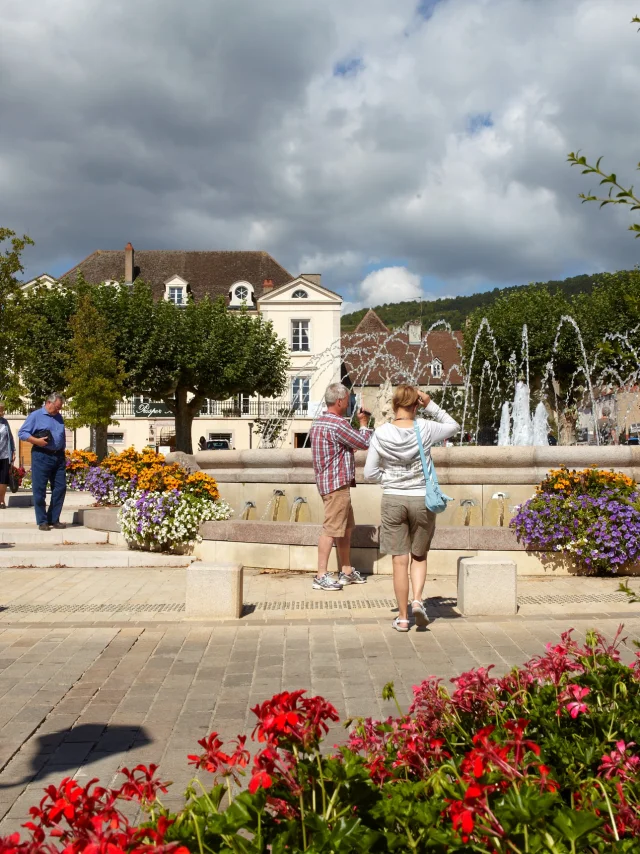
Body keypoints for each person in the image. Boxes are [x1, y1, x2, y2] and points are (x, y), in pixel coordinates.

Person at [364, 385, 459, 632]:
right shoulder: (425, 427)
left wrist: (390, 479)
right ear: (415, 405)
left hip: (393, 499)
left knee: (399, 560)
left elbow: (370, 472)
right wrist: (431, 404)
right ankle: (418, 600)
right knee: (419, 556)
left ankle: (404, 618)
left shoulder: (381, 433)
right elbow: (453, 426)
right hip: (421, 499)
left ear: (394, 405)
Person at [310, 382, 372, 591]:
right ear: (339, 401)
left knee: (346, 529)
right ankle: (321, 575)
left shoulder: (318, 423)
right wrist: (363, 423)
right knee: (331, 529)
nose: (349, 403)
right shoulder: (338, 424)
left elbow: (334, 450)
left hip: (329, 483)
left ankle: (346, 571)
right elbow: (363, 442)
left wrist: (346, 452)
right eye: (347, 399)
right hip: (337, 485)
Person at [18, 393, 67, 531]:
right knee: (39, 489)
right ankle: (42, 520)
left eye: (60, 408)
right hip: (42, 456)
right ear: (48, 403)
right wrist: (36, 441)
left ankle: (54, 518)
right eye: (57, 407)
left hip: (58, 457)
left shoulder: (58, 416)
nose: (58, 410)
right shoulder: (36, 416)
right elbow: (22, 433)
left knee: (60, 487)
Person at [0, 402, 16, 510]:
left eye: (2, 409)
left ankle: (1, 500)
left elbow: (10, 437)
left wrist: (13, 450)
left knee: (3, 479)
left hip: (4, 454)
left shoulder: (5, 422)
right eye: (0, 409)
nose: (2, 412)